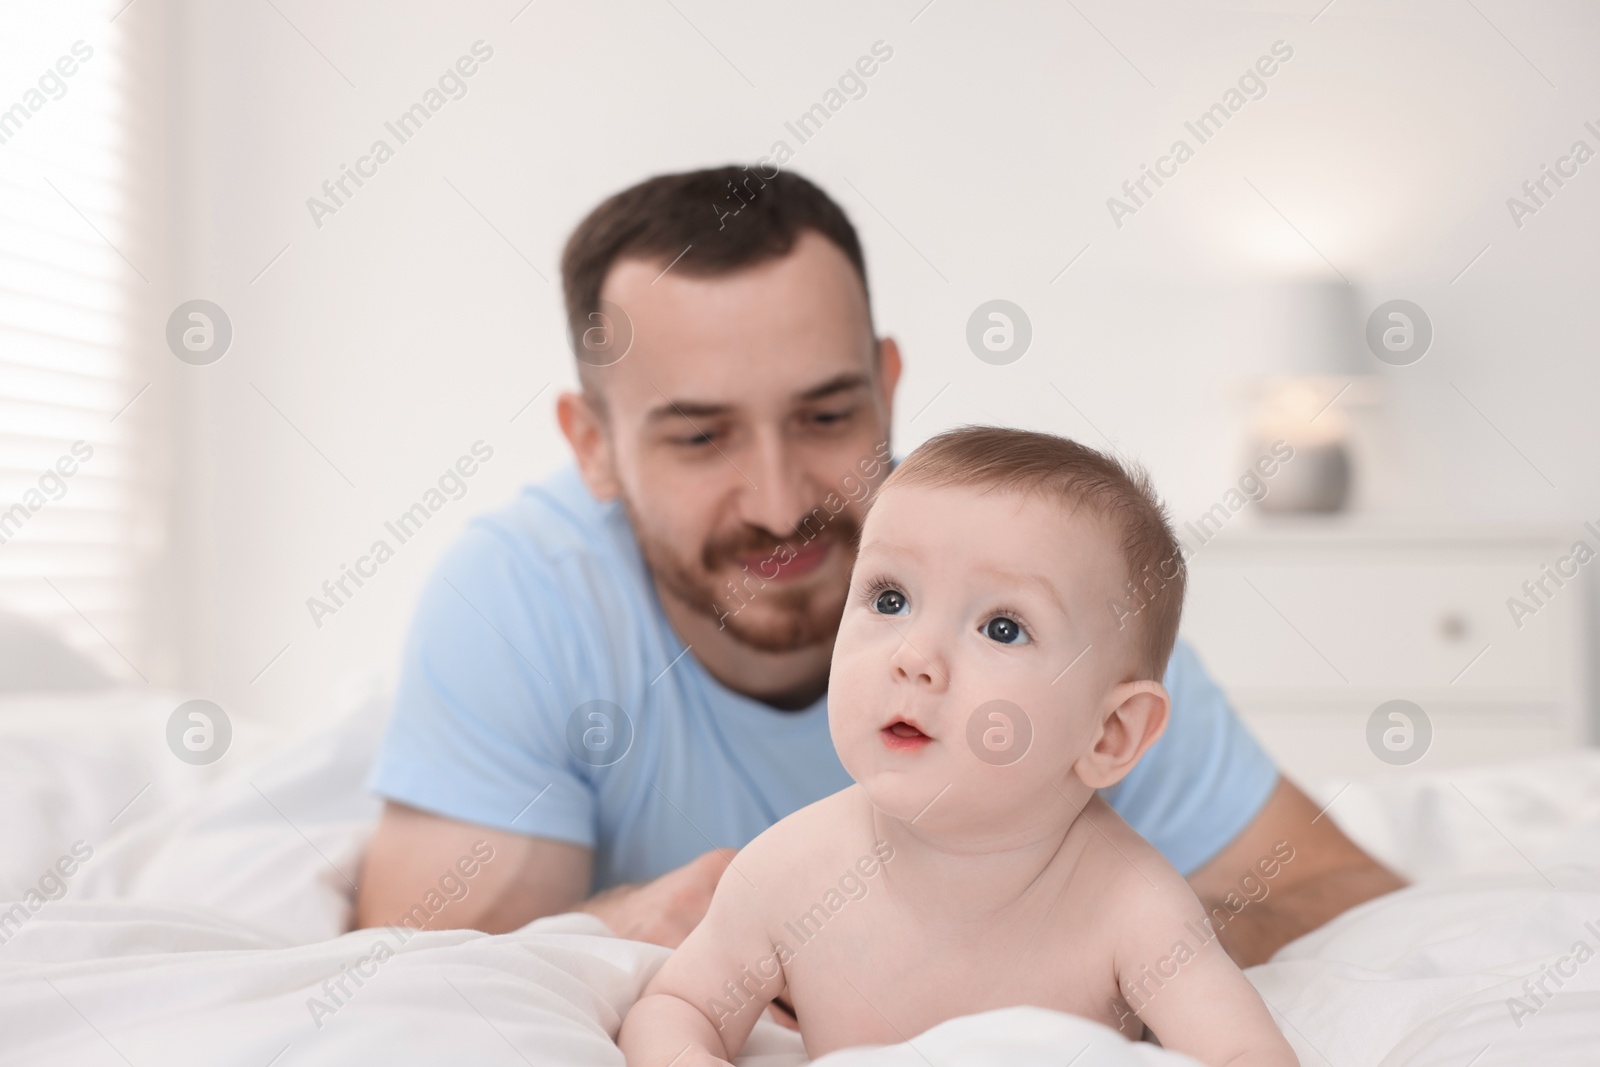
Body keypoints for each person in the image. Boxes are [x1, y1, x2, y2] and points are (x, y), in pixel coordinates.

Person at [354, 165, 1402, 969]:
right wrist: (629, 926)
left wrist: (1096, 941)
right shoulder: (522, 598)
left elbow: (1336, 888)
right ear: (592, 445)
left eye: (825, 415)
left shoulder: (1034, 571)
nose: (776, 501)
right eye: (699, 437)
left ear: (888, 386)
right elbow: (421, 963)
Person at [618, 425, 1298, 1065]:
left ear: (1110, 733)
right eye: (889, 599)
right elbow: (679, 1005)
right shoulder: (788, 875)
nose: (915, 656)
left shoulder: (1132, 905)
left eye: (1002, 627)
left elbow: (1245, 1053)